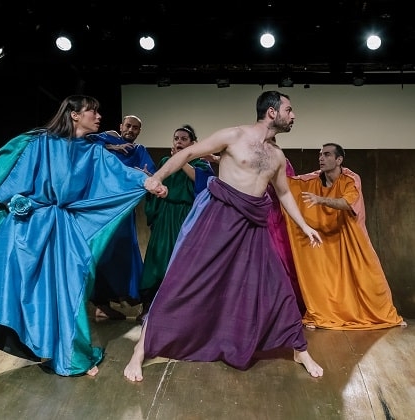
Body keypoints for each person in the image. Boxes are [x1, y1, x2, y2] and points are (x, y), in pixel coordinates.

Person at [123, 91, 324, 381]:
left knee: (277, 286)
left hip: (253, 227)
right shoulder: (234, 135)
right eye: (288, 110)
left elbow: (283, 193)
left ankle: (299, 349)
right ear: (271, 112)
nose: (293, 116)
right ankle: (141, 349)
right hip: (218, 219)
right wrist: (157, 177)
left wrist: (304, 226)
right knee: (182, 282)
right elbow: (187, 153)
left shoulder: (278, 156)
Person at [0, 95, 156, 388]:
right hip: (25, 228)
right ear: (74, 115)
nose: (98, 116)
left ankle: (70, 355)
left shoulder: (93, 151)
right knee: (5, 289)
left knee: (69, 289)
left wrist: (147, 181)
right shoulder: (39, 143)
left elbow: (120, 173)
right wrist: (22, 202)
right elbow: (7, 188)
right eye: (93, 111)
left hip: (61, 229)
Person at [284, 143, 405, 330]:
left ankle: (383, 315)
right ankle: (322, 315)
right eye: (320, 154)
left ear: (339, 160)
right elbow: (288, 184)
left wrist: (320, 199)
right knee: (323, 278)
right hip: (324, 241)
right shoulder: (312, 179)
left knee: (369, 279)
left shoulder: (350, 178)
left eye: (327, 155)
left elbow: (347, 203)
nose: (321, 158)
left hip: (351, 237)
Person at [136, 124, 215, 323]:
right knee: (157, 259)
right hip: (165, 216)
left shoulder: (201, 164)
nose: (179, 142)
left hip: (186, 217)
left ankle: (179, 311)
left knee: (181, 261)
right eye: (176, 138)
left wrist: (182, 160)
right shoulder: (165, 162)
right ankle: (148, 307)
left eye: (184, 139)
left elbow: (201, 183)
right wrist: (150, 180)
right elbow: (158, 186)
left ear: (193, 144)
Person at [88, 115, 157, 320]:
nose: (131, 130)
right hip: (102, 207)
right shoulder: (106, 139)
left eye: (135, 128)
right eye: (128, 126)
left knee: (124, 253)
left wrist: (143, 174)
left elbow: (149, 173)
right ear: (120, 126)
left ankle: (127, 299)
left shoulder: (139, 150)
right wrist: (111, 147)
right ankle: (101, 304)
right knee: (102, 253)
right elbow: (84, 144)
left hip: (124, 210)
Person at [266, 154, 307, 315]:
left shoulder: (280, 161)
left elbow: (287, 189)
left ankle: (290, 307)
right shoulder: (252, 158)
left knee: (284, 261)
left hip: (278, 217)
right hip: (259, 215)